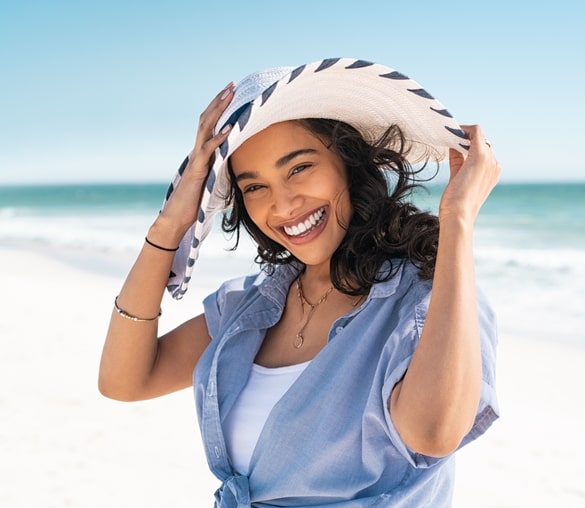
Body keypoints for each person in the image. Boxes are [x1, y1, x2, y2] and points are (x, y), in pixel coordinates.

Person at [98, 58, 500, 507]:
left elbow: (434, 433)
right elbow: (123, 381)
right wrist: (171, 225)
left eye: (299, 168)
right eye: (254, 188)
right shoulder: (248, 308)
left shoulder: (427, 300)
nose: (284, 205)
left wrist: (457, 221)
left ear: (348, 162)